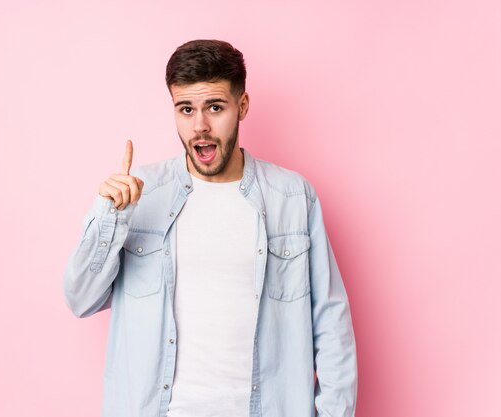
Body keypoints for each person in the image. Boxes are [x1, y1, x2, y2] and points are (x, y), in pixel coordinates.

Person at [64, 39, 357, 417]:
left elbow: (332, 324)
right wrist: (110, 216)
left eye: (214, 108)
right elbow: (80, 299)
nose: (199, 126)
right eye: (186, 109)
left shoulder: (292, 197)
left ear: (242, 107)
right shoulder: (137, 193)